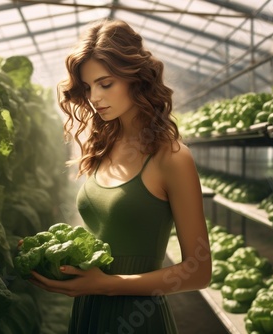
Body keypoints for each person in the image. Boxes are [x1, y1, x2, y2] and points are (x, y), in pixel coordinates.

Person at [28, 18, 212, 334]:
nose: (94, 98)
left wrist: (107, 285)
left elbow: (199, 272)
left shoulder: (172, 158)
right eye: (87, 87)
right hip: (88, 309)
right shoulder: (102, 146)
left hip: (136, 316)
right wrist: (47, 255)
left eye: (106, 83)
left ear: (136, 79)